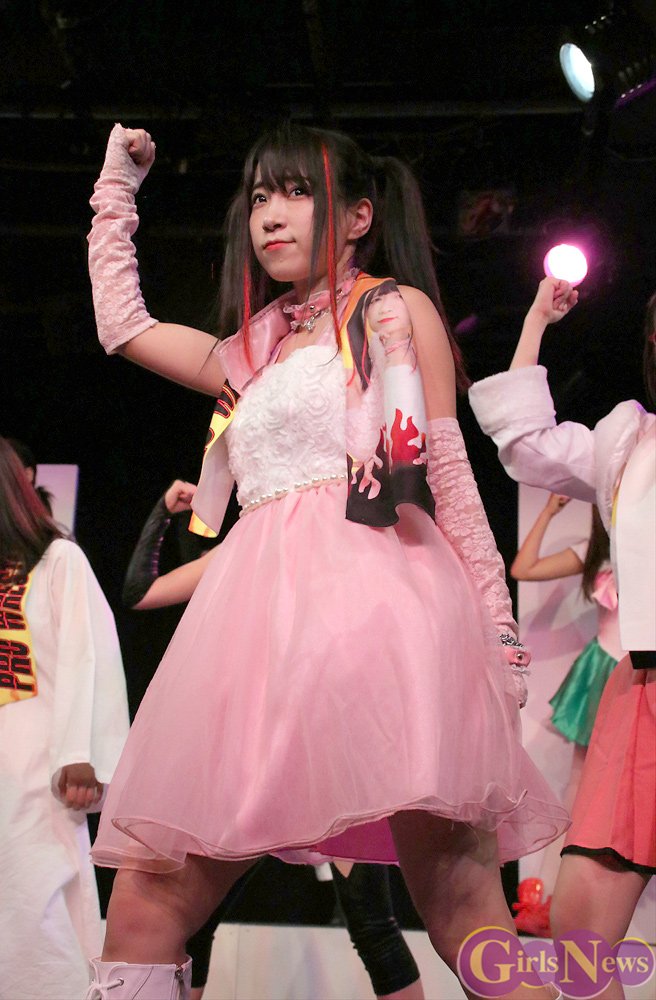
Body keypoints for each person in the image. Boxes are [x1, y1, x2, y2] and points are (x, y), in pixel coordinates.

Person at [84, 121, 568, 1000]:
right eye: (259, 197)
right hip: (254, 639)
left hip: (373, 628)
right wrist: (117, 190)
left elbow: (448, 481)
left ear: (357, 217)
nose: (270, 215)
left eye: (297, 193)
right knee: (144, 910)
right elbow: (123, 327)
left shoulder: (390, 310)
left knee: (465, 917)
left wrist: (499, 638)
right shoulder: (256, 347)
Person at [124, 477, 425, 1000]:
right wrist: (162, 511)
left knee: (373, 926)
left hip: (330, 750)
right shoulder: (240, 555)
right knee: (197, 923)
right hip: (253, 756)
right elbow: (140, 592)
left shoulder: (347, 549)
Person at [469, 280, 655, 1000]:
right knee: (580, 932)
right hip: (640, 692)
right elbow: (526, 444)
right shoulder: (631, 442)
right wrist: (537, 321)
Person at [0, 437, 130, 999]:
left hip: (36, 764)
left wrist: (83, 758)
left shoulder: (57, 560)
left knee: (37, 904)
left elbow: (87, 652)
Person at [509, 495, 625, 936]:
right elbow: (523, 569)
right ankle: (546, 898)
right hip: (605, 672)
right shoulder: (595, 551)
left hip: (642, 672)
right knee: (580, 790)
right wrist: (549, 512)